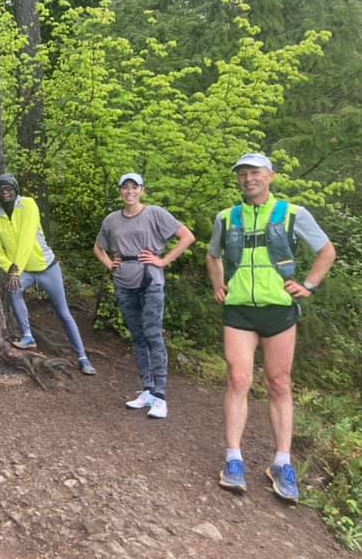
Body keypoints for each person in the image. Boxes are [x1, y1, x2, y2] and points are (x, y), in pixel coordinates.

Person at [206, 153, 335, 503]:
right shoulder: (227, 217)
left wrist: (308, 285)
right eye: (243, 174)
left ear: (270, 176)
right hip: (239, 312)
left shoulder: (293, 214)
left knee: (279, 383)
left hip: (279, 310)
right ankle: (234, 458)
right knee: (238, 379)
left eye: (255, 173)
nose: (249, 179)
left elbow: (326, 251)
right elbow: (213, 253)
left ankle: (282, 462)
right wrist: (219, 284)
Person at [93, 173, 195, 419]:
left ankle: (160, 395)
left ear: (142, 190)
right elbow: (99, 247)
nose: (129, 191)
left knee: (152, 334)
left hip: (150, 281)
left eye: (134, 187)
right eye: (125, 187)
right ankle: (147, 389)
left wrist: (162, 261)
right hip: (124, 282)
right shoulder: (112, 220)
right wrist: (110, 265)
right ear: (120, 191)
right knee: (138, 337)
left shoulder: (155, 214)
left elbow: (187, 237)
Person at [0, 174, 97, 375]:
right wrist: (11, 269)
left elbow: (26, 238)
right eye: (1, 189)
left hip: (47, 268)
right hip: (23, 272)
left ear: (16, 189)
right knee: (13, 291)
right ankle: (27, 336)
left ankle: (83, 357)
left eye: (9, 188)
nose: (5, 191)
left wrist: (14, 271)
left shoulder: (28, 205)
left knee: (63, 312)